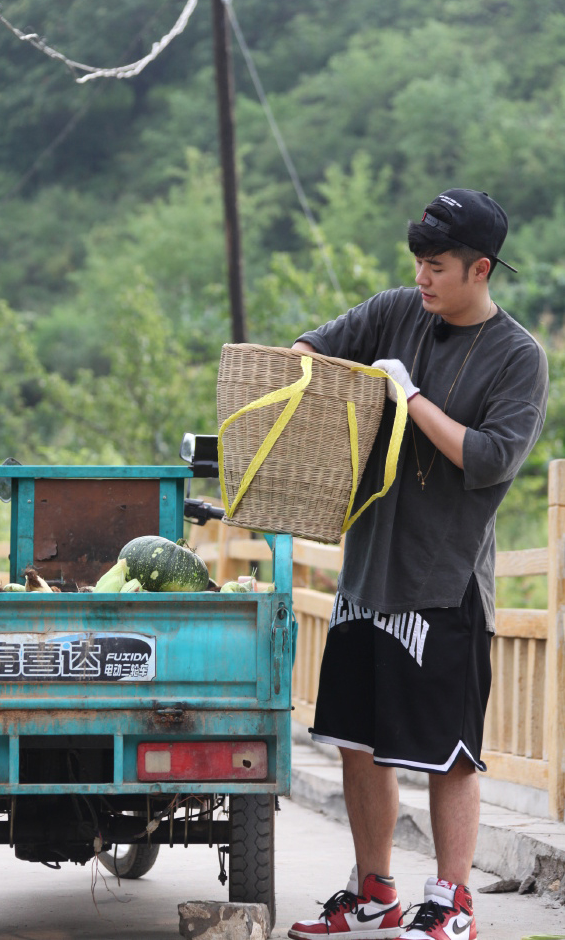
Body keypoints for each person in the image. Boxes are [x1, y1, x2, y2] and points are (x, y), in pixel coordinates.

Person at [287, 189, 548, 940]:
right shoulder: (397, 311)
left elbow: (489, 458)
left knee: (447, 754)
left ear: (480, 269)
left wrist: (409, 396)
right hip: (367, 568)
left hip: (444, 582)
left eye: (436, 267)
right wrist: (309, 381)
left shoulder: (518, 357)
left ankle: (452, 900)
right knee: (360, 742)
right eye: (418, 264)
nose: (423, 278)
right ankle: (374, 892)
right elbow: (311, 347)